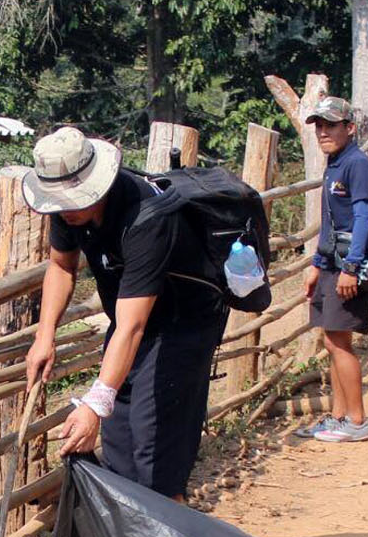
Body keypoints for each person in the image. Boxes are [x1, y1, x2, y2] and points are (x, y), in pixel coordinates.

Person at [22, 127, 230, 502]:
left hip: (183, 324)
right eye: (58, 203)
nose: (63, 210)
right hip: (131, 321)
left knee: (155, 456)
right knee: (120, 448)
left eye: (71, 200)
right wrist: (45, 335)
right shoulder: (67, 211)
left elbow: (133, 326)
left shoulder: (146, 217)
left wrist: (95, 404)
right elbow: (62, 267)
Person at [295, 96, 368, 443]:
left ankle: (357, 421)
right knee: (333, 340)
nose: (323, 132)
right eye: (319, 126)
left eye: (331, 125)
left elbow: (364, 218)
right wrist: (317, 264)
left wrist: (351, 268)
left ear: (350, 128)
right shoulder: (336, 163)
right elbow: (330, 222)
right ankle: (339, 417)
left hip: (348, 265)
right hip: (332, 264)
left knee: (339, 342)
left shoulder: (357, 164)